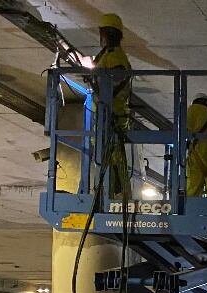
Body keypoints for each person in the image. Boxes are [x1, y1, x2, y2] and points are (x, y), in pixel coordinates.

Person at [93, 13, 132, 198]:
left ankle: (120, 195)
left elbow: (116, 80)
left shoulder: (115, 57)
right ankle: (114, 194)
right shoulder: (110, 55)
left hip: (113, 115)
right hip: (109, 114)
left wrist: (98, 80)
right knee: (110, 157)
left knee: (114, 157)